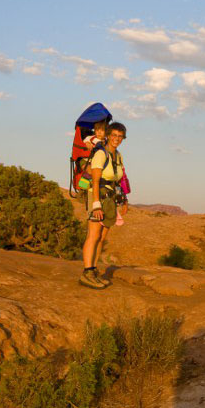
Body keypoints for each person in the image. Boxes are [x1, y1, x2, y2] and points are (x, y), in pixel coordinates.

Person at [80, 122, 128, 289]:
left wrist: (124, 200)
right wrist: (96, 205)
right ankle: (87, 272)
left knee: (102, 237)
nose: (116, 139)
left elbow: (119, 178)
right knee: (93, 236)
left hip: (110, 199)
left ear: (123, 138)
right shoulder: (101, 154)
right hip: (98, 197)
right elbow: (94, 180)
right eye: (114, 135)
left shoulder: (118, 155)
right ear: (108, 135)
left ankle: (94, 271)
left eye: (120, 136)